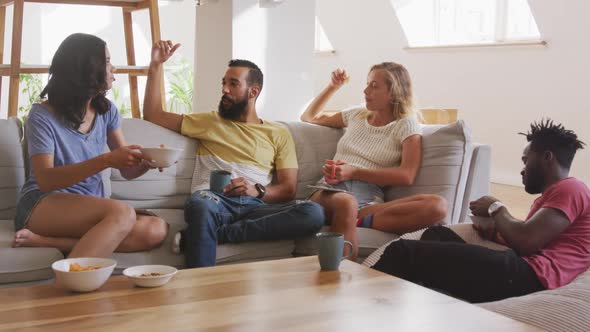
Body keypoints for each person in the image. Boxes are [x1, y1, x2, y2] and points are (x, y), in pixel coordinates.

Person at [143, 41, 325, 268]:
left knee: (313, 213)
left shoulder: (278, 133)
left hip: (256, 206)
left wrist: (256, 190)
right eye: (224, 83)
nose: (225, 89)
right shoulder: (208, 121)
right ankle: (201, 285)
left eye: (233, 84)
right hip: (214, 200)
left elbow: (288, 189)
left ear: (253, 91)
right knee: (201, 206)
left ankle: (210, 235)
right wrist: (155, 65)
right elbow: (152, 113)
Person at [371, 119, 590, 303]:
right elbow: (532, 240)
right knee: (437, 235)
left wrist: (496, 207)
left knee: (402, 252)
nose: (522, 170)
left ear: (547, 157)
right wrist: (494, 233)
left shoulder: (572, 188)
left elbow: (527, 241)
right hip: (526, 271)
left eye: (525, 160)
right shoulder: (554, 196)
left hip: (531, 277)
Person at [11, 33, 168, 258]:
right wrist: (105, 160)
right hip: (43, 204)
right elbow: (46, 179)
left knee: (156, 229)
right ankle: (72, 282)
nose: (114, 69)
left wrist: (146, 162)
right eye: (106, 61)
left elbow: (126, 170)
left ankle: (48, 242)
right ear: (85, 68)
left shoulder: (106, 111)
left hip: (93, 208)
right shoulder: (42, 115)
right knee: (122, 214)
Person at [300, 64, 447, 260]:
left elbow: (407, 174)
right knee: (347, 203)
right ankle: (338, 279)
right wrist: (333, 86)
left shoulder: (406, 125)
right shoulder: (356, 114)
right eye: (367, 84)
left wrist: (355, 172)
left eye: (374, 86)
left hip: (369, 201)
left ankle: (359, 220)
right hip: (330, 192)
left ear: (393, 92)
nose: (365, 90)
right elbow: (310, 117)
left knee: (437, 206)